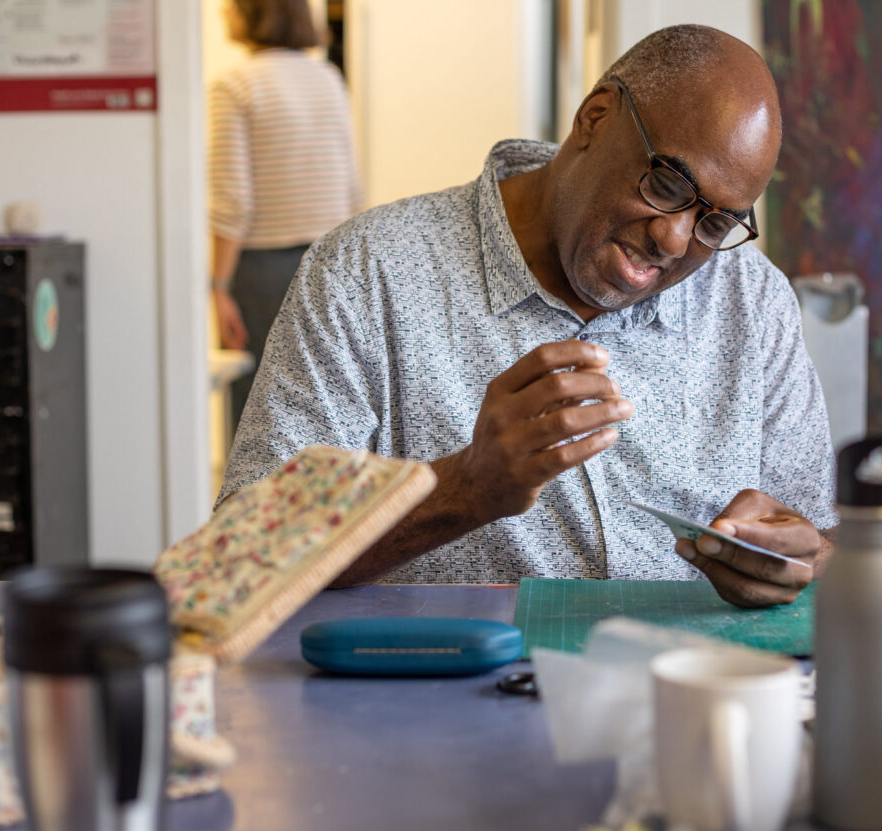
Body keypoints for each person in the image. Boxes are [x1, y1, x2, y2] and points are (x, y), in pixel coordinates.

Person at [220, 24, 838, 608]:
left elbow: (822, 542)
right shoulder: (368, 272)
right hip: (445, 711)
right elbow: (245, 563)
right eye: (668, 185)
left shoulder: (753, 300)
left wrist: (793, 565)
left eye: (716, 220)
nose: (675, 241)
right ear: (595, 118)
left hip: (692, 699)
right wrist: (466, 490)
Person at [208, 0, 363, 428]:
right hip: (330, 262)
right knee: (322, 395)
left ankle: (256, 497)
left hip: (261, 270)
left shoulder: (236, 84)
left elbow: (232, 199)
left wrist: (218, 286)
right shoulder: (328, 78)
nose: (223, 12)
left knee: (258, 407)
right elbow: (352, 186)